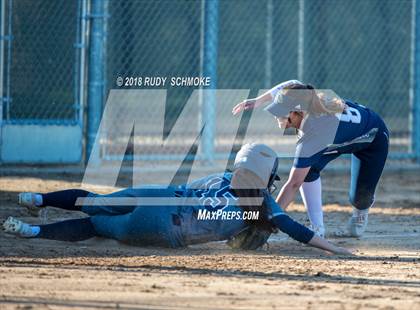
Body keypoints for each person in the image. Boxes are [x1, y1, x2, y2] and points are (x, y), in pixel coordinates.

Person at [3, 143, 352, 255]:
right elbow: (295, 229)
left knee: (94, 201)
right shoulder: (263, 204)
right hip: (165, 230)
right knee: (95, 225)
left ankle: (38, 198)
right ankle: (34, 233)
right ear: (267, 177)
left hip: (158, 196)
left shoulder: (223, 176)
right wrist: (334, 248)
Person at [232, 81, 389, 238]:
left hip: (372, 138)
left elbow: (293, 184)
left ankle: (361, 212)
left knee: (360, 198)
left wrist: (267, 222)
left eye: (282, 112)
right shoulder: (306, 100)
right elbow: (293, 83)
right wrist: (258, 100)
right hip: (336, 139)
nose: (276, 116)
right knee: (308, 171)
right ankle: (317, 228)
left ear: (297, 112)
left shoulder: (313, 133)